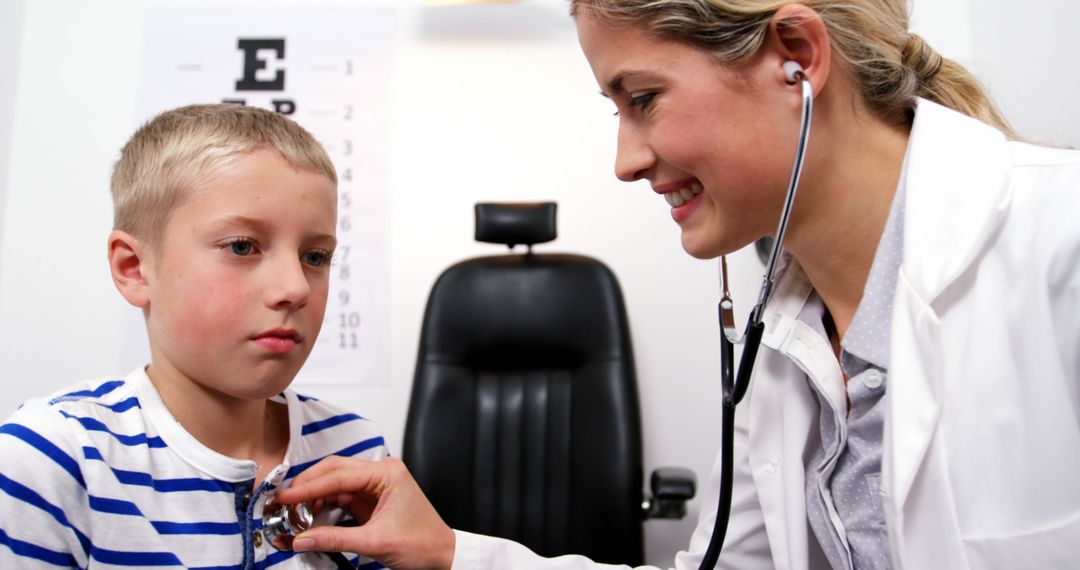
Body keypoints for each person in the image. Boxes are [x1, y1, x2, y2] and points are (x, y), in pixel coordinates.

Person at [276, 1, 1080, 569]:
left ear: (794, 57)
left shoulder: (1060, 244)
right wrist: (453, 553)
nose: (625, 159)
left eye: (643, 98)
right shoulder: (782, 340)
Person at [0, 104, 389, 568]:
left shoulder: (357, 452)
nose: (295, 288)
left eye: (316, 256)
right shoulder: (53, 461)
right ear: (134, 268)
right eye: (242, 247)